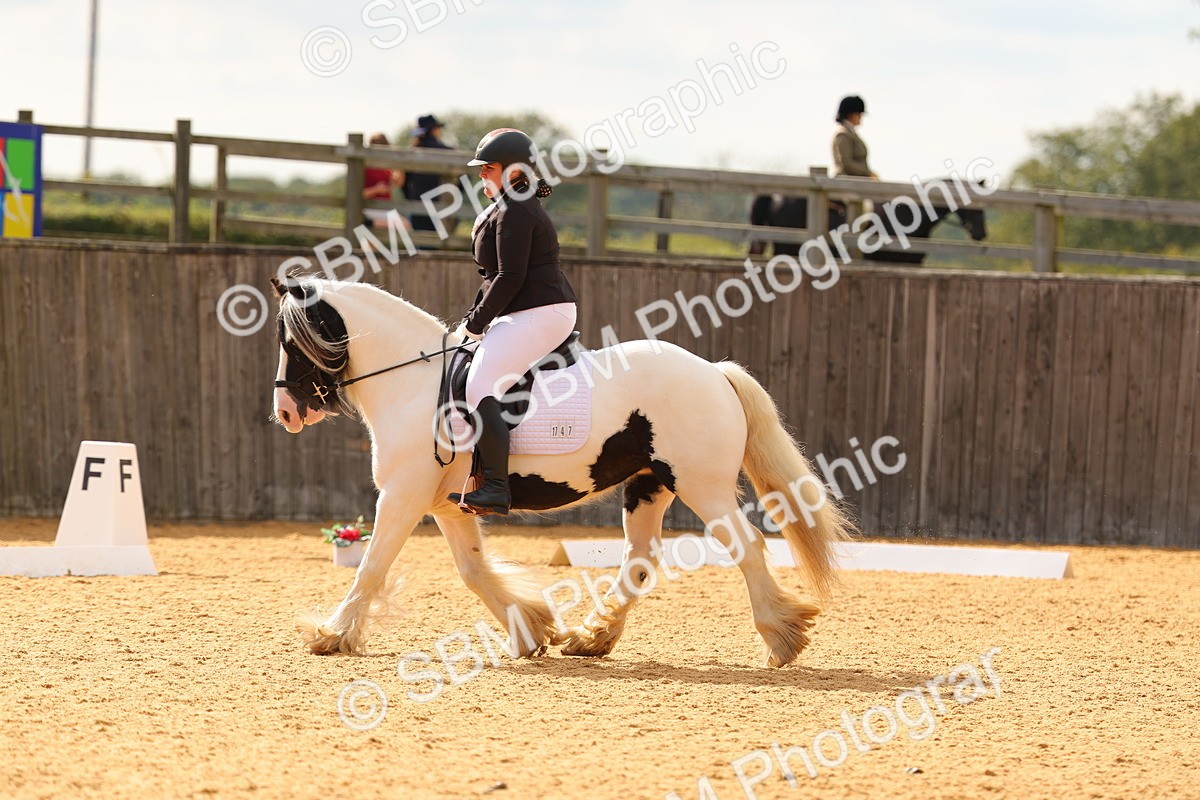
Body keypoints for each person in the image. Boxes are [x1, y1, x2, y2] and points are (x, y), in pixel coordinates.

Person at [449, 128, 579, 516]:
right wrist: (472, 322)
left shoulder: (516, 209)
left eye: (487, 168)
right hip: (525, 311)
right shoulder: (507, 204)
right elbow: (493, 277)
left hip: (541, 311)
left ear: (513, 170)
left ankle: (497, 488)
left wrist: (475, 325)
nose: (481, 175)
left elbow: (510, 277)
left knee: (480, 385)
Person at [402, 114, 453, 233]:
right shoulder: (447, 152)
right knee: (442, 242)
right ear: (434, 130)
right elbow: (463, 177)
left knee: (420, 242)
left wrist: (410, 198)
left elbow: (403, 182)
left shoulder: (411, 153)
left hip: (417, 204)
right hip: (442, 204)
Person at [831, 96, 878, 178]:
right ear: (851, 115)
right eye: (859, 114)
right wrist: (868, 173)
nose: (861, 117)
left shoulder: (851, 133)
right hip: (846, 184)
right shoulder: (843, 135)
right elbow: (846, 163)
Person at [363, 132, 401, 228]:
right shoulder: (365, 168)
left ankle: (370, 224)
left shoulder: (387, 167)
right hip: (372, 209)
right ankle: (369, 223)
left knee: (404, 226)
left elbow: (398, 184)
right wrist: (376, 189)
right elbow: (357, 194)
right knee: (403, 226)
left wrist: (400, 170)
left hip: (385, 208)